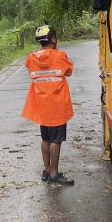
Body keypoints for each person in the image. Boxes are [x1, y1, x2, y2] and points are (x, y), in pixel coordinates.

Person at [22, 25, 75, 186]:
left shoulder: (31, 58)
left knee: (45, 139)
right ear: (53, 39)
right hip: (57, 107)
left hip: (42, 107)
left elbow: (30, 69)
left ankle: (46, 170)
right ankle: (54, 173)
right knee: (56, 141)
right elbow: (69, 71)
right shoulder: (60, 57)